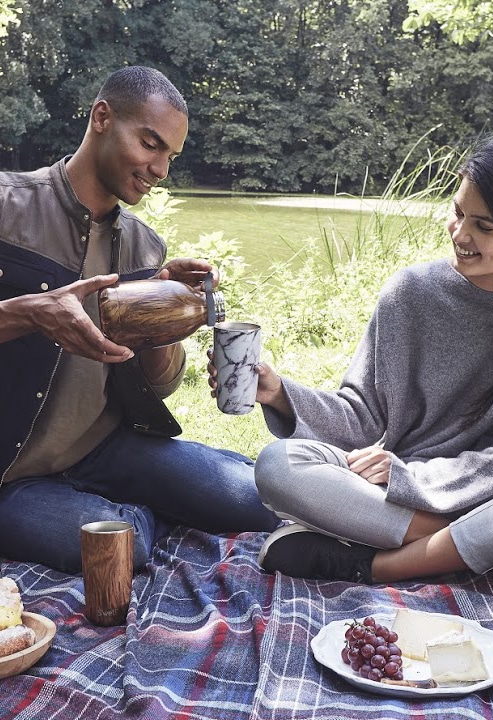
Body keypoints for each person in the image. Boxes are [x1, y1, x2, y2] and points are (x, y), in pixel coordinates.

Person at [210, 133, 493, 592]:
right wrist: (279, 394)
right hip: (396, 493)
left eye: (485, 227)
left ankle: (378, 565)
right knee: (277, 466)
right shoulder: (411, 294)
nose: (461, 235)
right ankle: (488, 551)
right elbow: (362, 417)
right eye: (458, 212)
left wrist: (416, 479)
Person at [0, 65, 278, 574]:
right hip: (12, 475)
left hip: (107, 448)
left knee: (257, 502)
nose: (160, 169)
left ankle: (163, 495)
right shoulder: (7, 206)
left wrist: (165, 312)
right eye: (150, 144)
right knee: (124, 547)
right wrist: (26, 314)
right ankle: (152, 511)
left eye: (170, 156)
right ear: (102, 117)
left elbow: (161, 385)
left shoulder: (144, 245)